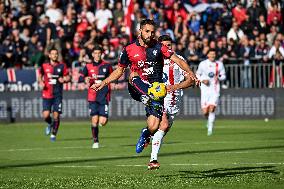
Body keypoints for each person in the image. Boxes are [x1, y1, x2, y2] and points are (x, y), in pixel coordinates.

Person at [91, 19, 199, 155]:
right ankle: (146, 96)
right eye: (147, 31)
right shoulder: (129, 49)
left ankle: (145, 133)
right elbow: (119, 71)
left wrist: (190, 73)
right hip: (137, 87)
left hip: (156, 90)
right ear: (140, 31)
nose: (150, 34)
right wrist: (103, 83)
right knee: (133, 74)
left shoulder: (160, 47)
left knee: (153, 126)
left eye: (153, 32)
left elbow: (177, 59)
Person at [147, 35, 194, 170]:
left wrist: (175, 87)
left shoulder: (179, 60)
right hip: (159, 99)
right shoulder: (154, 60)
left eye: (169, 45)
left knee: (163, 129)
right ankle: (153, 159)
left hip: (175, 99)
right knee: (164, 124)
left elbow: (189, 80)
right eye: (164, 45)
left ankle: (147, 134)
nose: (167, 47)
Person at [79, 45, 113, 148]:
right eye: (95, 53)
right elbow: (80, 77)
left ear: (101, 54)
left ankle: (98, 128)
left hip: (104, 95)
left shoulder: (107, 65)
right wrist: (85, 79)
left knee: (103, 121)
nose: (97, 55)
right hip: (92, 96)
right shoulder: (88, 66)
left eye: (99, 53)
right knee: (94, 119)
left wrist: (113, 82)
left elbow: (113, 76)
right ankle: (95, 141)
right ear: (92, 54)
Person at [38, 48, 70, 141]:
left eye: (56, 54)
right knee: (46, 115)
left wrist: (64, 79)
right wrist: (40, 82)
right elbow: (40, 75)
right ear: (49, 55)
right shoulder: (44, 66)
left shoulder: (62, 66)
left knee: (56, 115)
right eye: (53, 54)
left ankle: (53, 134)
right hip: (47, 94)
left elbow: (68, 77)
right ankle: (49, 123)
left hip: (57, 95)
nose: (55, 55)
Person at [196, 48, 226, 136]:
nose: (212, 55)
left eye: (214, 54)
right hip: (205, 90)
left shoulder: (219, 64)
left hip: (215, 89)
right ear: (208, 55)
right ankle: (208, 121)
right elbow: (197, 74)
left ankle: (210, 129)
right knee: (205, 112)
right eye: (211, 54)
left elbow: (223, 75)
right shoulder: (203, 64)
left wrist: (219, 77)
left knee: (212, 108)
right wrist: (203, 80)